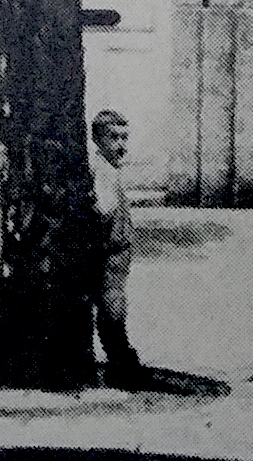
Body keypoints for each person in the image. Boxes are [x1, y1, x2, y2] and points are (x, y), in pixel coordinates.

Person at [87, 110, 148, 385]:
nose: (121, 145)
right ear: (97, 139)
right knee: (113, 309)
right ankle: (122, 365)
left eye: (125, 137)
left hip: (117, 256)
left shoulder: (110, 169)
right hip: (109, 255)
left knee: (113, 308)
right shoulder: (103, 173)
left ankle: (120, 360)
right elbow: (102, 212)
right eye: (114, 137)